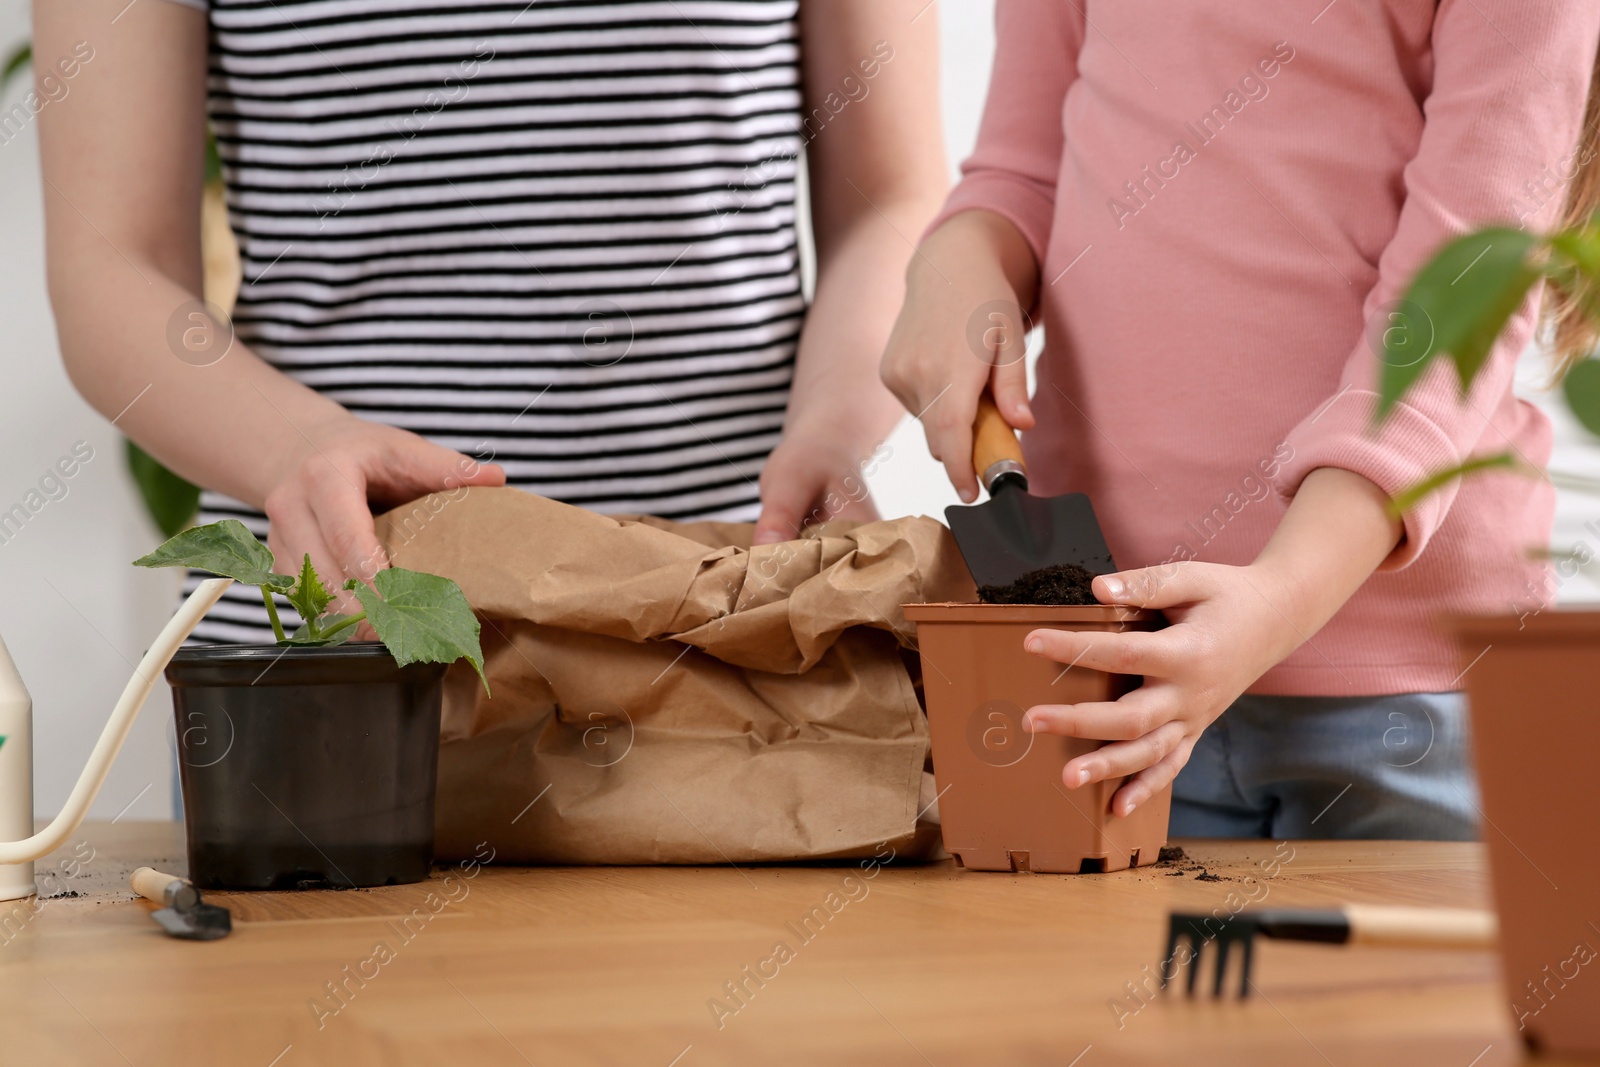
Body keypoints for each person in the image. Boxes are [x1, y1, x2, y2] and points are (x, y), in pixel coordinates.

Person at [881, 1, 1600, 839]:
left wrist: (1281, 594)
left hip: (1413, 701)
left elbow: (1464, 291)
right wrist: (956, 259)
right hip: (1115, 670)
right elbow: (1021, 175)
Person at [37, 0, 945, 642]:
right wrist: (295, 448)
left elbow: (892, 196)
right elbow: (113, 262)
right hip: (341, 635)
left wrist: (836, 424)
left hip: (728, 622)